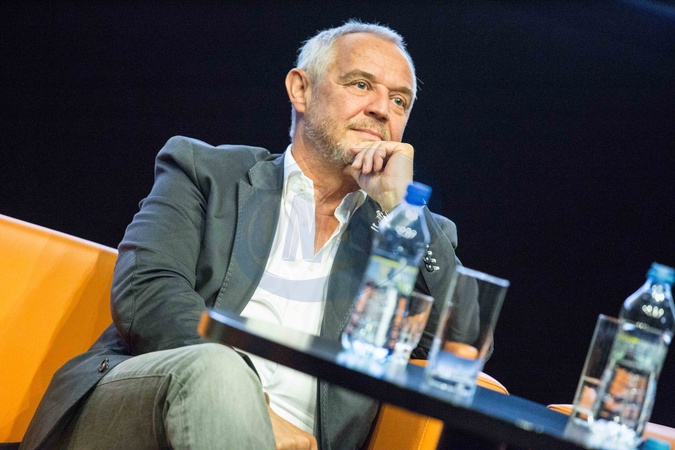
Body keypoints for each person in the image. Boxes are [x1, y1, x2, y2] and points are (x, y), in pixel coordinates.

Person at [21, 19, 478, 450]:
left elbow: (463, 346)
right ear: (301, 89)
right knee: (218, 368)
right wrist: (254, 410)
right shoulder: (207, 172)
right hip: (146, 408)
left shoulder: (409, 233)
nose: (381, 108)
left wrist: (404, 214)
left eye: (399, 101)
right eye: (360, 85)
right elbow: (148, 292)